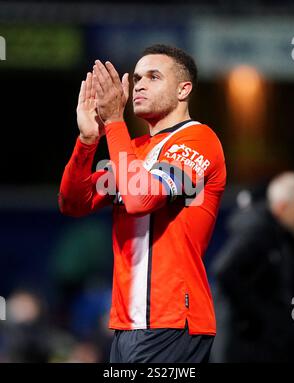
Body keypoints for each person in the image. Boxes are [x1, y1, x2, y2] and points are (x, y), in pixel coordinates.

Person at [58, 44, 226, 363]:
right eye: (136, 78)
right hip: (126, 325)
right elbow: (72, 202)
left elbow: (141, 198)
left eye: (153, 76)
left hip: (173, 321)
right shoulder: (132, 150)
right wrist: (88, 140)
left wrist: (114, 124)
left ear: (183, 89)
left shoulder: (199, 141)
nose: (140, 85)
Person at [211, 172, 294, 362]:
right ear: (282, 207)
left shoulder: (283, 235)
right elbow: (224, 271)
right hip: (241, 341)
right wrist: (255, 315)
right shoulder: (257, 230)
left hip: (264, 341)